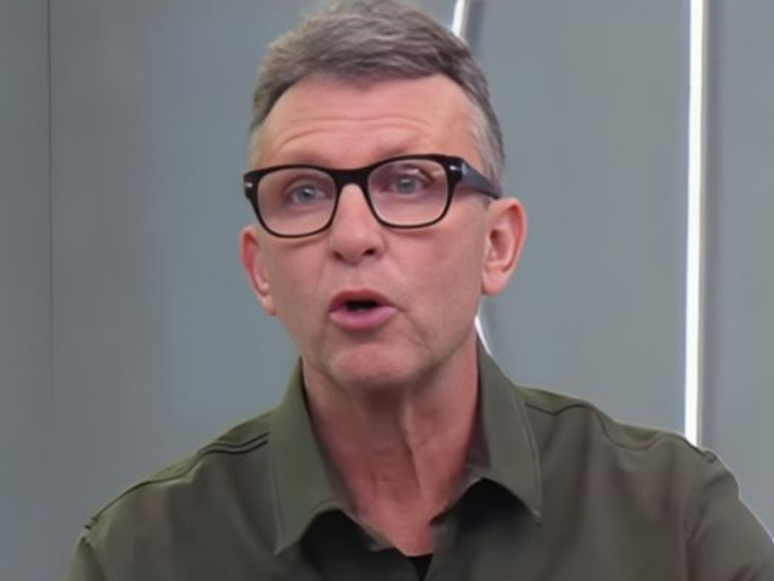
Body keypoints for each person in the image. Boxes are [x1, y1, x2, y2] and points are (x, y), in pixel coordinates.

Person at [63, 1, 774, 580]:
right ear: (260, 270)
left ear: (497, 245)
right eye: (304, 192)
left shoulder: (671, 523)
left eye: (408, 182)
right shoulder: (141, 556)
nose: (353, 235)